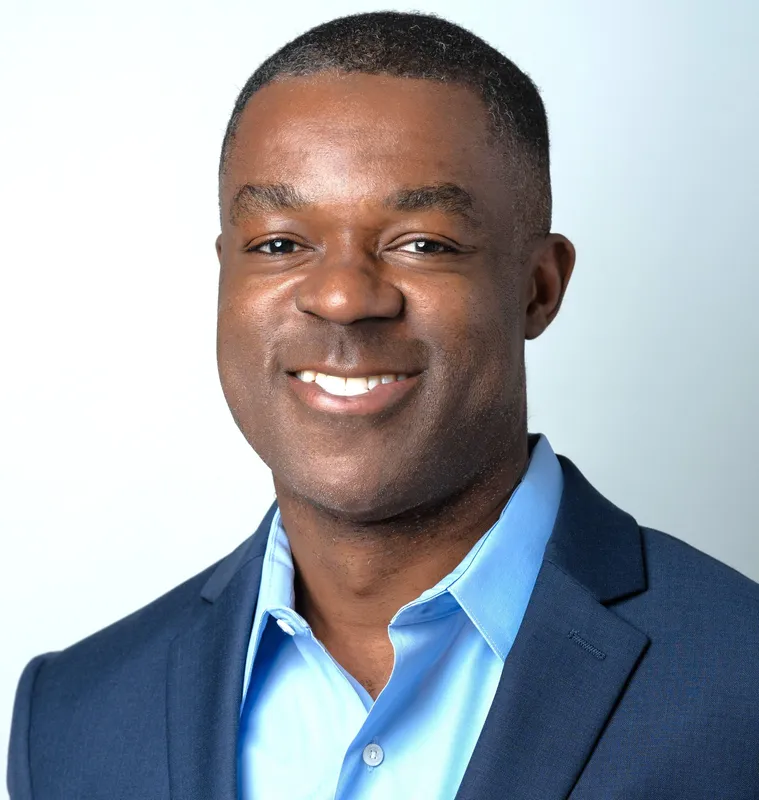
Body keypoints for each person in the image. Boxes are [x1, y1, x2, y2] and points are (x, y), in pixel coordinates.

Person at [7, 10, 759, 800]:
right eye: (279, 244)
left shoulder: (737, 681)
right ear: (224, 274)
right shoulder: (71, 719)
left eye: (423, 242)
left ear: (538, 287)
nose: (340, 297)